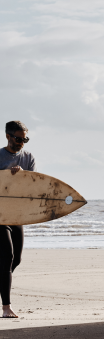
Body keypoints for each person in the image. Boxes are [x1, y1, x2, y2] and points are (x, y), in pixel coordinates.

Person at [0, 120, 36, 318]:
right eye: (18, 139)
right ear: (7, 136)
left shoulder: (28, 158)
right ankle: (6, 307)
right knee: (7, 257)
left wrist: (22, 177)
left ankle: (2, 282)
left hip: (17, 214)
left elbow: (32, 187)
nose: (22, 143)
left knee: (16, 260)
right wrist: (7, 176)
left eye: (25, 139)